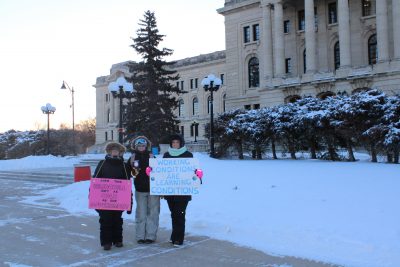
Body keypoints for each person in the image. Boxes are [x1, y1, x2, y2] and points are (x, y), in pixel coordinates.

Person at [162, 134, 202, 247]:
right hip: (170, 191)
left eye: (177, 142)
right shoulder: (166, 155)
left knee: (180, 214)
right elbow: (162, 171)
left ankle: (179, 238)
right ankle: (174, 235)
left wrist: (198, 173)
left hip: (183, 191)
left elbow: (194, 170)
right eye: (173, 142)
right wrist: (153, 172)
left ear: (181, 143)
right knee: (173, 214)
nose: (175, 144)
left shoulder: (188, 155)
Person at [93, 142, 132, 251]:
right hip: (104, 197)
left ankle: (118, 240)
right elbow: (95, 180)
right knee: (105, 220)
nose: (115, 152)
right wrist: (92, 197)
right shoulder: (102, 163)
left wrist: (129, 202)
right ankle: (106, 242)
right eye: (113, 150)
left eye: (117, 150)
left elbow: (127, 184)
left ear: (120, 153)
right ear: (109, 151)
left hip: (119, 198)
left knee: (117, 220)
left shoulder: (124, 166)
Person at [128, 136, 160, 244]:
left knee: (153, 213)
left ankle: (150, 236)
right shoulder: (132, 158)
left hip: (153, 189)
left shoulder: (152, 157)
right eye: (139, 145)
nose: (141, 147)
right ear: (136, 146)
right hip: (140, 190)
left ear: (146, 146)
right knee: (141, 214)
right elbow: (127, 173)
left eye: (143, 145)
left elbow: (160, 172)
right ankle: (140, 236)